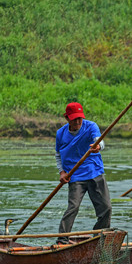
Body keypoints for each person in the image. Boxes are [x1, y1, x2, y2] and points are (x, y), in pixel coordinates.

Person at [55, 102, 112, 244]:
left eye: (80, 118)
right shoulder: (61, 133)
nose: (78, 122)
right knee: (73, 207)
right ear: (67, 118)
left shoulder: (91, 126)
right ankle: (62, 239)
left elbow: (99, 142)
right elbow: (58, 154)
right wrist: (62, 172)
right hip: (74, 176)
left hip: (94, 171)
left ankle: (100, 238)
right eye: (74, 119)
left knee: (106, 208)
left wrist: (98, 146)